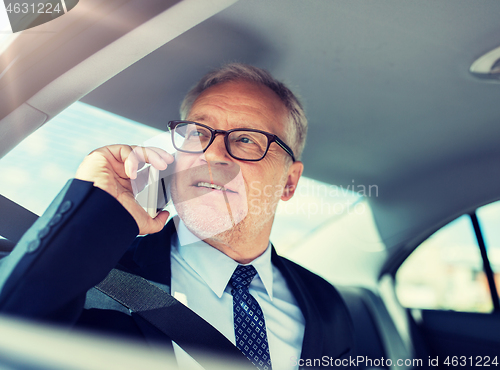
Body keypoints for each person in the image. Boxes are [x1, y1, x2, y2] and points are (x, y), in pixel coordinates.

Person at [0, 64, 354, 369]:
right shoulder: (94, 276)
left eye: (247, 139)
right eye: (198, 133)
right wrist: (92, 206)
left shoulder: (325, 304)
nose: (212, 154)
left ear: (289, 182)